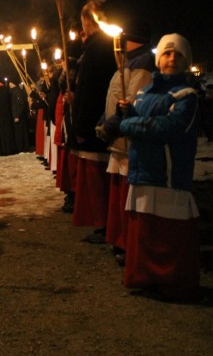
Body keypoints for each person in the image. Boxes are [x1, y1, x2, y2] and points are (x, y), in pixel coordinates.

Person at [104, 33, 201, 302]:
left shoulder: (186, 95)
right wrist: (128, 112)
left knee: (169, 234)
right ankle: (146, 277)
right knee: (146, 231)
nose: (171, 59)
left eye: (178, 55)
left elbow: (166, 128)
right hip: (143, 171)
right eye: (167, 54)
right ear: (159, 59)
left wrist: (125, 125)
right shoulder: (145, 92)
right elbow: (144, 121)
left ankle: (173, 283)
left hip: (169, 175)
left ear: (185, 61)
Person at [96, 18, 155, 266]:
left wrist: (110, 127)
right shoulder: (126, 64)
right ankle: (120, 239)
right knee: (120, 195)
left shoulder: (141, 66)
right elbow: (114, 99)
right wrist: (103, 121)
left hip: (129, 142)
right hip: (119, 142)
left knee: (129, 197)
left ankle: (130, 243)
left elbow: (132, 101)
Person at [69, 2, 116, 243]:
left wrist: (80, 127)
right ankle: (105, 224)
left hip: (94, 125)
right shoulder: (98, 48)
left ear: (91, 21)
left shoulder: (99, 49)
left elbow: (93, 91)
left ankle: (106, 225)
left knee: (99, 181)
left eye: (84, 21)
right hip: (98, 121)